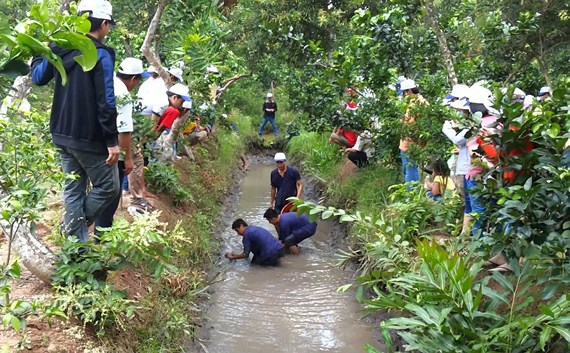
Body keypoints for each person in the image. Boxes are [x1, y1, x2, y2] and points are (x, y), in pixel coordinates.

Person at [31, 0, 119, 242]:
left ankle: (75, 247)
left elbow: (38, 78)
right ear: (103, 24)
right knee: (109, 187)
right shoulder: (101, 54)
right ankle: (73, 230)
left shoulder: (60, 48)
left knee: (73, 189)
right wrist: (112, 140)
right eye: (108, 25)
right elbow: (107, 101)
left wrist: (40, 52)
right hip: (89, 137)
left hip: (61, 133)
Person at [95, 58, 148, 235]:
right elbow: (124, 131)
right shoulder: (123, 94)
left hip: (91, 145)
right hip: (112, 151)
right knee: (111, 194)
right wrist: (128, 159)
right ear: (133, 79)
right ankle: (102, 236)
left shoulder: (105, 82)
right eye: (139, 80)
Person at [398, 79, 428, 184]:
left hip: (410, 144)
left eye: (404, 93)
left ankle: (411, 196)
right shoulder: (418, 102)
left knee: (410, 172)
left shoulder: (416, 104)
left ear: (409, 91)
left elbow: (410, 126)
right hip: (411, 143)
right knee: (410, 170)